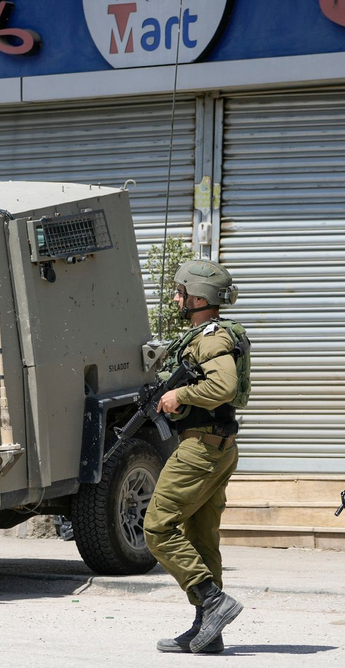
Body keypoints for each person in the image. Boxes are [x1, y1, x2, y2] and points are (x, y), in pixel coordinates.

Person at [143, 259, 251, 654]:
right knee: (201, 537)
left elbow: (224, 386)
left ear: (199, 298)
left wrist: (180, 395)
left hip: (201, 449)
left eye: (180, 292)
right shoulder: (206, 336)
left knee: (157, 528)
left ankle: (213, 600)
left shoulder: (210, 337)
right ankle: (208, 630)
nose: (176, 298)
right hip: (217, 446)